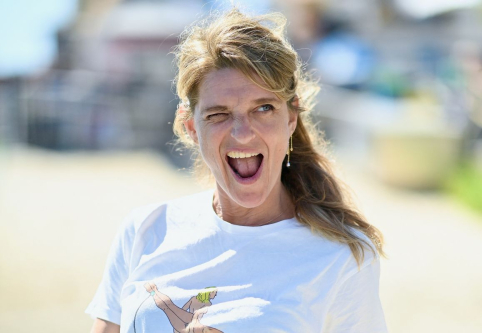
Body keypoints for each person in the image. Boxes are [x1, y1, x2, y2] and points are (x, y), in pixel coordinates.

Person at [86, 8, 387, 333]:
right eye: (218, 114)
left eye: (263, 108)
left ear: (291, 118)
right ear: (192, 128)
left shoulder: (342, 257)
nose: (242, 133)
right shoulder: (144, 231)